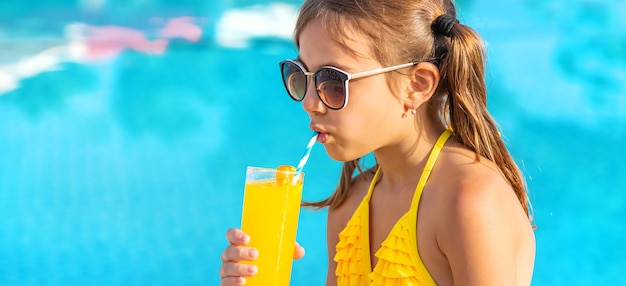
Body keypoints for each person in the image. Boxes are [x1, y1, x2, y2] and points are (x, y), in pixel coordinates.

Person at [219, 0, 536, 284]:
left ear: (417, 85)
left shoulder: (469, 202)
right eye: (302, 74)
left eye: (332, 80)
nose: (310, 102)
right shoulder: (351, 204)